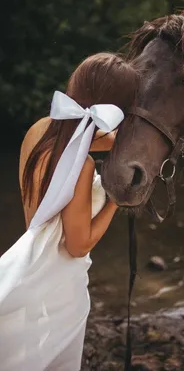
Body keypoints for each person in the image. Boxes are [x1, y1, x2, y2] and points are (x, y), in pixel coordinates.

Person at [0, 53, 137, 371]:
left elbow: (103, 138)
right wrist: (117, 199)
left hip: (31, 264)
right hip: (59, 287)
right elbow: (78, 245)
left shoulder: (40, 131)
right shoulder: (83, 165)